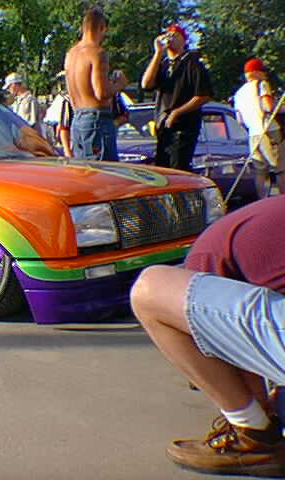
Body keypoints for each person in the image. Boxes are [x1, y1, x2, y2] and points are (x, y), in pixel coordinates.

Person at [130, 195, 285, 477]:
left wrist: (256, 406)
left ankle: (254, 437)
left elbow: (235, 349)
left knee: (149, 289)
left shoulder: (207, 256)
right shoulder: (263, 228)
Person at [141, 24, 213, 171]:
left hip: (183, 128)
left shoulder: (192, 62)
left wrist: (177, 112)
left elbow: (203, 95)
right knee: (163, 170)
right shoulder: (163, 64)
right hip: (163, 128)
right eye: (168, 34)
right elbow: (146, 84)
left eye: (175, 35)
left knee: (178, 168)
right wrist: (158, 53)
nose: (170, 37)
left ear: (184, 40)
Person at [64, 7, 128, 161]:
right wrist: (120, 84)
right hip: (96, 120)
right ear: (102, 27)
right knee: (103, 171)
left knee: (83, 172)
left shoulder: (70, 54)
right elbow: (101, 92)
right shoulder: (97, 53)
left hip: (77, 118)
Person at [233, 58, 285, 198]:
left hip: (253, 135)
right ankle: (283, 201)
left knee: (260, 172)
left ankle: (262, 201)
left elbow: (240, 120)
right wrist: (281, 107)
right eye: (263, 71)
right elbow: (268, 107)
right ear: (255, 72)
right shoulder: (261, 84)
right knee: (280, 169)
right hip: (269, 131)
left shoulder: (239, 93)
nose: (265, 75)